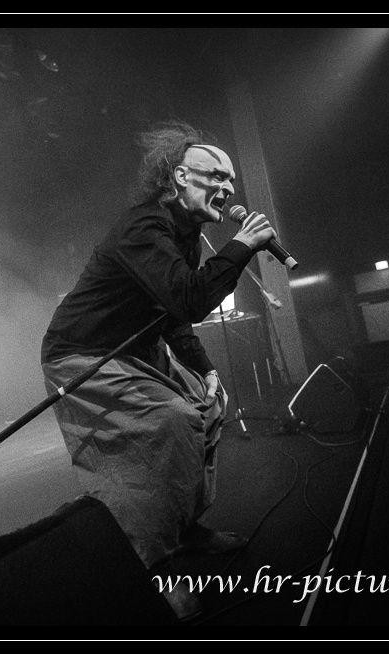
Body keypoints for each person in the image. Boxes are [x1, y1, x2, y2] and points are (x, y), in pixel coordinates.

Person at [40, 120, 276, 620]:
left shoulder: (185, 233)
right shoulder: (144, 228)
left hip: (138, 347)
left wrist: (205, 369)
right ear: (179, 176)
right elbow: (189, 299)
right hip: (84, 353)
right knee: (171, 423)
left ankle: (184, 528)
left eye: (231, 180)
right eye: (216, 176)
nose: (228, 188)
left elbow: (169, 314)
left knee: (208, 408)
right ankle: (154, 566)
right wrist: (241, 247)